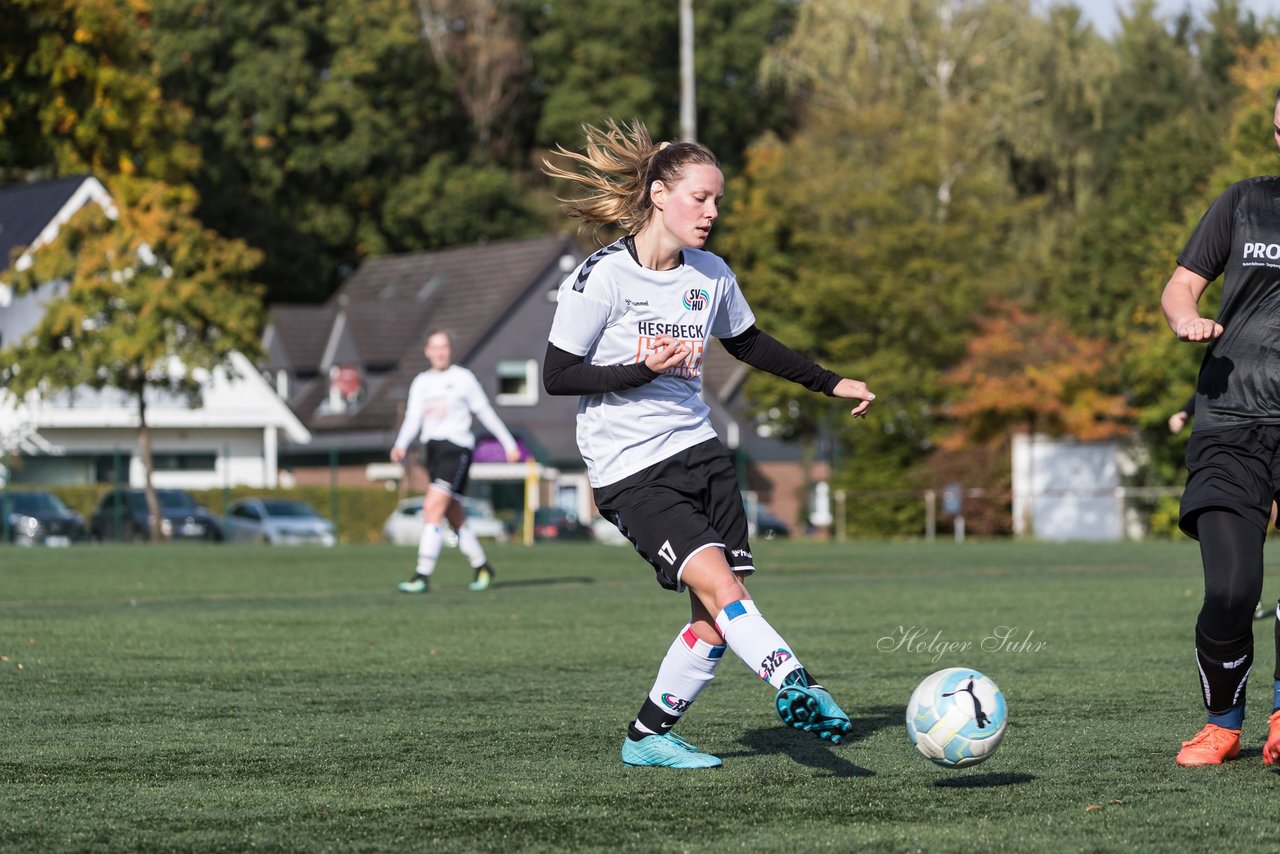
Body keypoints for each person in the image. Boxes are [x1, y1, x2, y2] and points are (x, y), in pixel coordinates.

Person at [540, 120, 876, 769]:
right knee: (727, 592)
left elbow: (749, 344)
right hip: (631, 467)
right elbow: (557, 374)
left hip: (700, 451)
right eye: (701, 197)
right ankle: (796, 684)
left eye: (718, 200)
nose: (713, 212)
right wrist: (641, 369)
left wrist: (830, 382)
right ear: (660, 195)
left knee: (713, 621)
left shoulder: (710, 274)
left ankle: (645, 739)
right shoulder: (601, 277)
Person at [1159, 87, 1280, 768]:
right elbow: (1182, 284)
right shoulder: (1243, 201)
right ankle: (1223, 722)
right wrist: (1183, 317)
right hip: (1231, 416)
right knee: (1232, 589)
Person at [390, 329, 521, 594]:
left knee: (431, 508)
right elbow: (413, 418)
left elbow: (484, 411)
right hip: (433, 452)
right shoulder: (421, 383)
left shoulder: (463, 378)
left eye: (444, 347)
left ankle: (422, 574)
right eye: (434, 347)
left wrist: (508, 443)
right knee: (453, 514)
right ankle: (482, 565)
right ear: (427, 351)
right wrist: (401, 444)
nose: (439, 352)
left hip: (457, 450)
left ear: (450, 350)